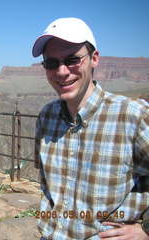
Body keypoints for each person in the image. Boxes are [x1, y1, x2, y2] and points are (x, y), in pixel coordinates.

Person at [33, 17, 149, 239]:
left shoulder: (132, 116)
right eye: (51, 63)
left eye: (72, 60)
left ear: (94, 59)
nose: (62, 71)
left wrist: (146, 229)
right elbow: (47, 187)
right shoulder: (46, 117)